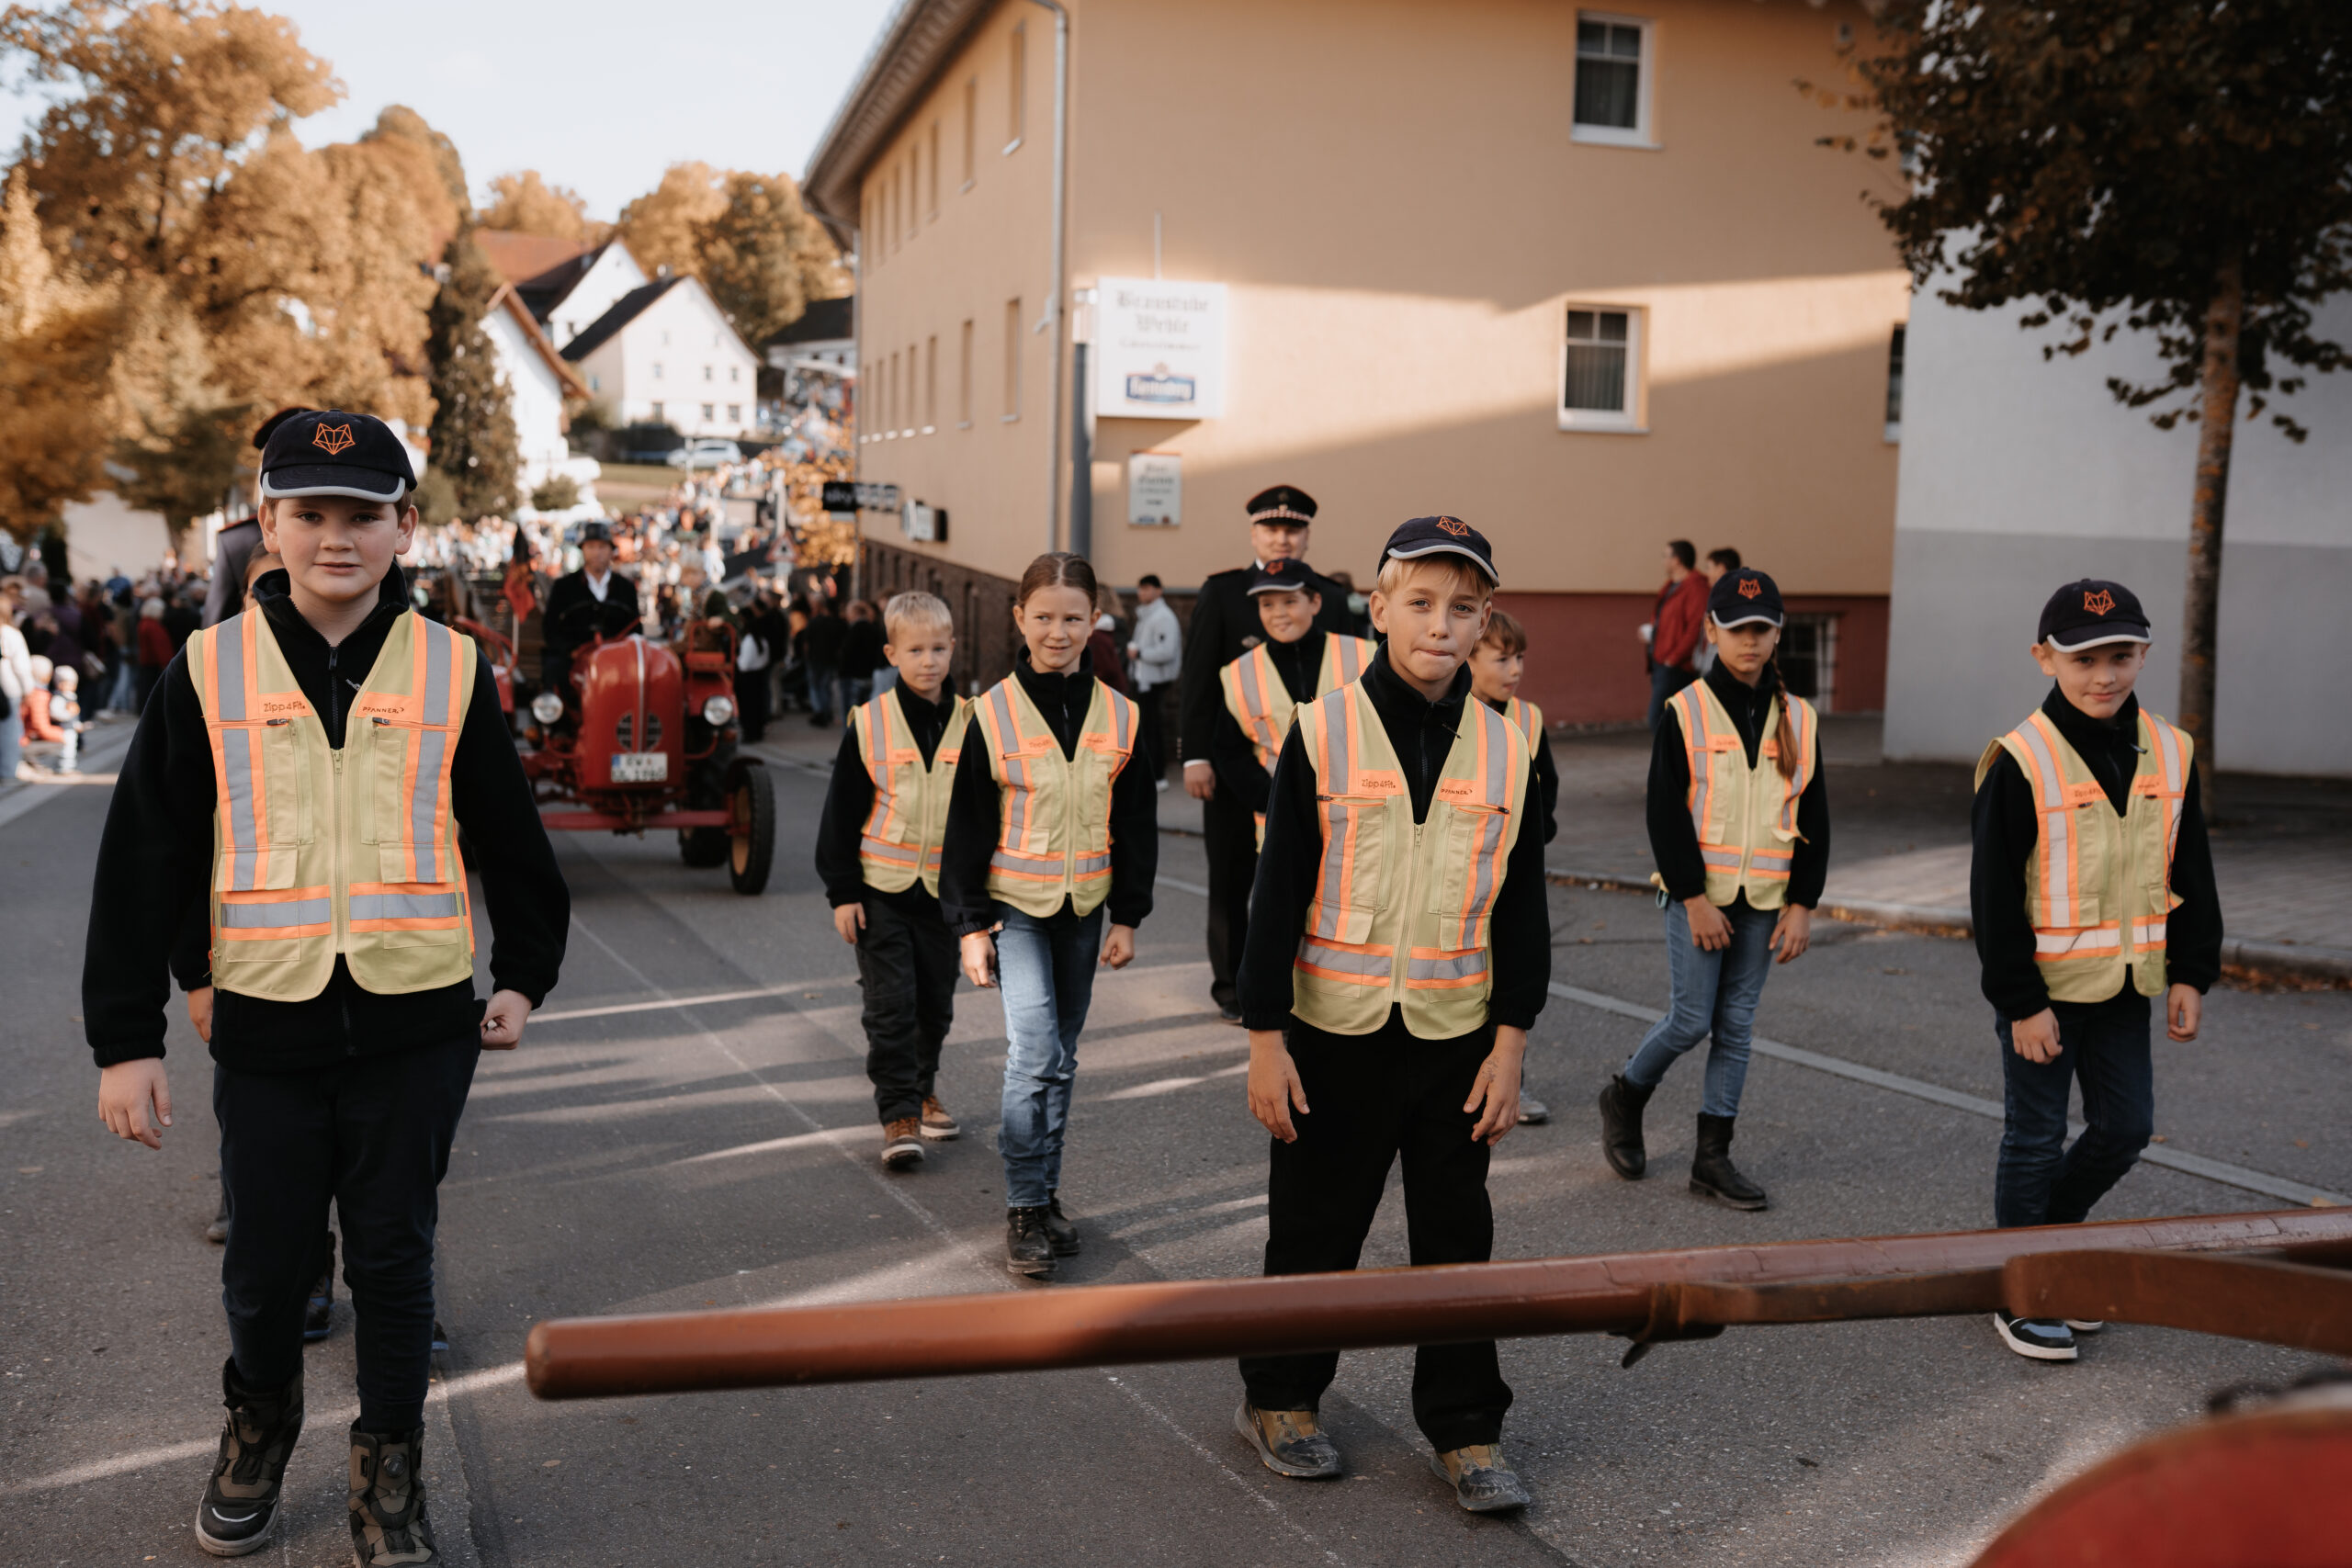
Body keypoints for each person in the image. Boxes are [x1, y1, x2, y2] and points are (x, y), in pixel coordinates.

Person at [83, 408, 569, 1564]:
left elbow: (510, 837)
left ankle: (389, 1465)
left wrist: (524, 975)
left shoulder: (453, 667)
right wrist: (127, 1040)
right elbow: (147, 856)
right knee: (266, 1265)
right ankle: (257, 1430)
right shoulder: (209, 669)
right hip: (268, 1021)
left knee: (395, 1258)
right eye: (309, 513)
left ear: (407, 528)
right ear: (268, 523)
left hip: (417, 1020)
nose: (336, 538)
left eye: (364, 515)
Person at [1235, 516, 1548, 1516]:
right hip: (1334, 1034)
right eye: (1419, 603)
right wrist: (1265, 1039)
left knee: (1457, 1239)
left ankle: (1466, 1427)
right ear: (1377, 609)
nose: (1440, 626)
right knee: (1314, 1229)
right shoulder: (1321, 729)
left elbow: (1521, 905)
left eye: (1463, 609)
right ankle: (1281, 1397)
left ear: (1485, 622)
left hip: (1457, 1038)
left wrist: (1511, 1041)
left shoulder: (1509, 748)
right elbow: (1277, 895)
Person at [1970, 579, 2220, 1363]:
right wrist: (2021, 1001)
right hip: (2043, 994)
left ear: (2144, 654)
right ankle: (2023, 1286)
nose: (2104, 675)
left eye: (2121, 656)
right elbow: (1993, 896)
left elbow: (2192, 868)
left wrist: (2191, 971)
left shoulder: (2171, 750)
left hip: (2125, 985)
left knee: (2126, 1128)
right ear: (2045, 658)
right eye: (2083, 659)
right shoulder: (2022, 758)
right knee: (2036, 1136)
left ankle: (2046, 1247)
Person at [942, 552, 1156, 1279]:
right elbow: (967, 826)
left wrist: (1127, 916)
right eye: (1043, 617)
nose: (1057, 632)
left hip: (1086, 910)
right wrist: (970, 927)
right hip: (1016, 912)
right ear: (1019, 619)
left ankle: (1047, 1194)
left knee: (1061, 1058)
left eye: (1072, 617)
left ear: (1095, 619)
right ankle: (1024, 1208)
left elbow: (1136, 824)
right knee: (1033, 1054)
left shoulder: (1123, 715)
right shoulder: (990, 712)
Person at [1597, 569, 1826, 1213]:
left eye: (1762, 629)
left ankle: (1712, 1157)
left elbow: (1814, 815)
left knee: (1737, 1025)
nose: (1749, 640)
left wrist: (1802, 904)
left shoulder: (1800, 718)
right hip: (1701, 897)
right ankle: (1625, 1095)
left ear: (1778, 633)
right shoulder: (1686, 710)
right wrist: (1694, 898)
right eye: (1737, 628)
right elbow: (1664, 812)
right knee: (1692, 1019)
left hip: (1763, 900)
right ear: (1711, 631)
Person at [1178, 485, 1354, 1022]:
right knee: (1232, 879)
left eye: (1293, 529)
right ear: (1254, 533)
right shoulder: (1223, 591)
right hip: (1236, 769)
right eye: (1272, 528)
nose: (1282, 538)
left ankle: (1309, 983)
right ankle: (1230, 986)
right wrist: (1194, 756)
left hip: (1324, 778)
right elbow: (1199, 677)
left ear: (1307, 536)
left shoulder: (1329, 594)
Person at [818, 592, 970, 1169]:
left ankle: (923, 1087)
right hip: (881, 892)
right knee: (891, 1007)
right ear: (891, 654)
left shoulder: (973, 722)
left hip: (945, 898)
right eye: (915, 651)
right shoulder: (870, 723)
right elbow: (840, 815)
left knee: (935, 1005)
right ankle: (899, 1114)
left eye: (938, 649)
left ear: (953, 648)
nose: (928, 661)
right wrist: (843, 894)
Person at [1210, 557, 1375, 854]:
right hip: (1279, 830)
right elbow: (1229, 751)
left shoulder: (1364, 655)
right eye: (1267, 604)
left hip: (1361, 826)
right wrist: (1272, 798)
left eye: (1290, 601)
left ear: (1315, 602)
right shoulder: (1239, 673)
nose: (1279, 614)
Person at [1464, 607, 1560, 1123]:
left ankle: (1510, 1083)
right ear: (1470, 658)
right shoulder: (1452, 711)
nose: (1515, 669)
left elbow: (1547, 791)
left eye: (1519, 657)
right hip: (1463, 874)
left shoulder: (1529, 718)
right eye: (1502, 659)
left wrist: (1531, 840)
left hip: (1509, 872)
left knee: (1513, 977)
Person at [540, 520, 638, 703]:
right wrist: (571, 650)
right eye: (591, 547)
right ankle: (556, 718)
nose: (597, 553)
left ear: (611, 551)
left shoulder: (626, 588)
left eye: (602, 547)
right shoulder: (564, 587)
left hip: (618, 658)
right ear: (583, 550)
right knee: (553, 671)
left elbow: (635, 630)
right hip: (573, 657)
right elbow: (550, 628)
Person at [1642, 540, 1709, 730]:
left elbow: (1695, 628)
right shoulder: (1671, 586)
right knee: (1669, 720)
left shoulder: (1695, 588)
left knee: (1658, 718)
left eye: (1665, 556)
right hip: (1661, 662)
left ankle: (1671, 750)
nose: (1663, 561)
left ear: (1677, 560)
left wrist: (1673, 659)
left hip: (1677, 666)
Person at [1125, 573, 1182, 788]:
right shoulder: (1147, 615)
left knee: (1152, 729)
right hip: (1144, 679)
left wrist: (1139, 653)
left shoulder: (1162, 616)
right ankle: (1152, 774)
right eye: (1141, 588)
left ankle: (1157, 776)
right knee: (1147, 728)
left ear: (1159, 590)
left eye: (1147, 588)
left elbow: (1166, 651)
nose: (1143, 592)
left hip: (1154, 681)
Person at [804, 594, 848, 727]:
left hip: (816, 659)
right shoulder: (838, 623)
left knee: (816, 686)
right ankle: (824, 711)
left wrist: (807, 656)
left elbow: (806, 642)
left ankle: (820, 711)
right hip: (829, 660)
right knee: (825, 687)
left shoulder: (815, 622)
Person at [838, 599, 886, 711]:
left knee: (853, 711)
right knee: (867, 711)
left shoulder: (854, 630)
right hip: (870, 675)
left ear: (855, 613)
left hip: (854, 676)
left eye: (849, 612)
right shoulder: (874, 628)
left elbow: (846, 654)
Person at [48, 662, 84, 773]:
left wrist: (77, 724)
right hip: (63, 728)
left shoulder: (72, 698)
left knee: (71, 748)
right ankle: (63, 768)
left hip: (71, 728)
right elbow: (54, 713)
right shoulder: (58, 698)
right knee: (65, 749)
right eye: (63, 683)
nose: (67, 687)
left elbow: (76, 715)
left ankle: (69, 766)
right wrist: (68, 715)